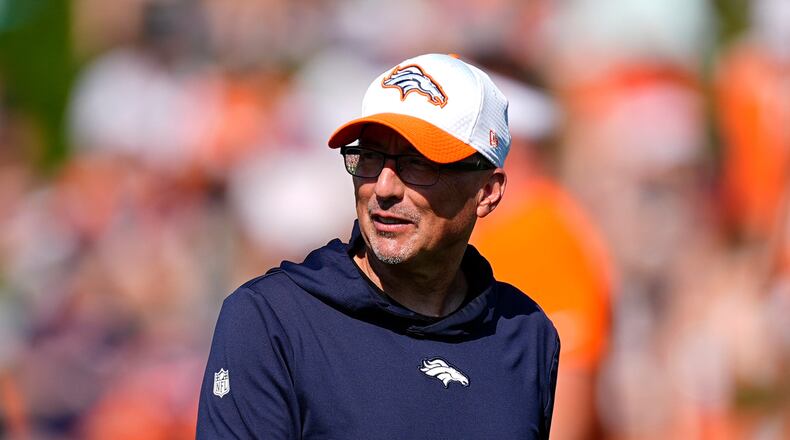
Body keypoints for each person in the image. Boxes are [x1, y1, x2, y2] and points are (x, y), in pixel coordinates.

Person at [196, 53, 560, 439]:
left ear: (487, 191)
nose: (383, 188)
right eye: (369, 157)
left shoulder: (526, 334)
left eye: (418, 163)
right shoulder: (273, 320)